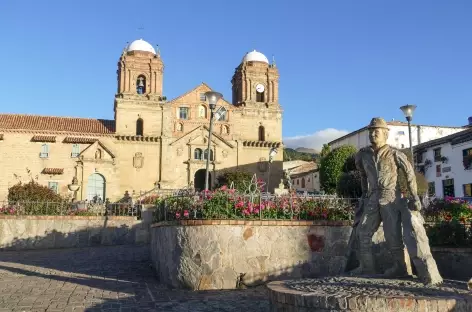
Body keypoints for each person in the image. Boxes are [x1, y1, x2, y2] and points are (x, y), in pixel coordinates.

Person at [351, 117, 442, 285]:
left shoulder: (394, 154)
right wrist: (364, 194)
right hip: (372, 198)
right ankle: (367, 268)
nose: (373, 134)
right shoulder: (363, 155)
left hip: (391, 197)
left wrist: (414, 195)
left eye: (376, 131)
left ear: (386, 134)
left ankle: (400, 268)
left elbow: (409, 172)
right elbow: (363, 176)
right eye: (371, 131)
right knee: (362, 233)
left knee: (393, 236)